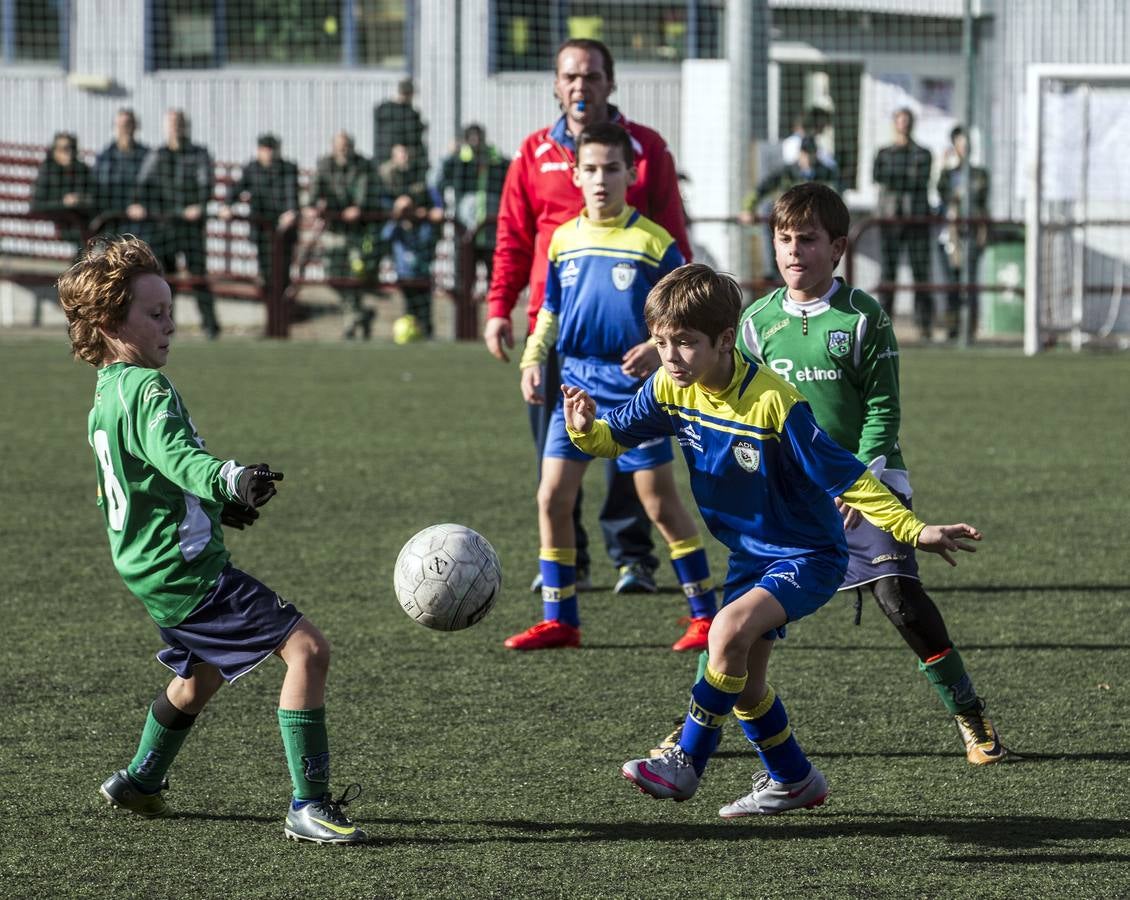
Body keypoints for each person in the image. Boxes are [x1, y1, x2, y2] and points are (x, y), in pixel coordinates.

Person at [565, 263, 983, 816]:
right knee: (744, 682)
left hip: (810, 555)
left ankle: (687, 761)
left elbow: (846, 474)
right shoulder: (670, 386)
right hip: (750, 557)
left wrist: (914, 528)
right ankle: (793, 779)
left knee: (727, 631)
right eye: (661, 341)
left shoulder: (773, 401)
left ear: (724, 339)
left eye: (686, 343)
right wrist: (583, 428)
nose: (669, 355)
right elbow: (615, 434)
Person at [57, 235, 366, 844]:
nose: (171, 324)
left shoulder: (106, 396)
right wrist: (230, 479)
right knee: (308, 651)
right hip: (187, 573)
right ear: (111, 321)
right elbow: (178, 460)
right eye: (155, 314)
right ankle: (310, 806)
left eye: (170, 310)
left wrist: (213, 511)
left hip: (151, 570)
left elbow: (133, 488)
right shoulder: (148, 390)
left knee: (200, 676)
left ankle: (140, 781)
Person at [486, 37, 692, 595]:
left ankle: (633, 557)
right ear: (556, 84)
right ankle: (566, 565)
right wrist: (499, 308)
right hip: (557, 330)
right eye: (570, 77)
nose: (581, 86)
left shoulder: (647, 149)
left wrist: (670, 333)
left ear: (610, 82)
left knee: (632, 458)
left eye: (592, 76)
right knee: (557, 453)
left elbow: (675, 239)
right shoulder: (533, 154)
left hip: (632, 339)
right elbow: (512, 237)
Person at [505, 122, 716, 654]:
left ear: (631, 173)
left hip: (635, 389)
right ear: (575, 174)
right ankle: (561, 619)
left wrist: (655, 345)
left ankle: (705, 615)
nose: (601, 179)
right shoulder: (562, 239)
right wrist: (534, 359)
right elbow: (550, 309)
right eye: (591, 169)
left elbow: (684, 310)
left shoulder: (653, 242)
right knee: (552, 497)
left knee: (658, 502)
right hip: (575, 383)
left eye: (611, 169)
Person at [135, 109, 220, 339]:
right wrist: (142, 206)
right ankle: (166, 328)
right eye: (171, 124)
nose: (175, 128)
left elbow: (206, 186)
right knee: (164, 281)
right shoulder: (157, 155)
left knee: (198, 277)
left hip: (191, 227)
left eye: (179, 123)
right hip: (164, 226)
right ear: (165, 127)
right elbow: (142, 186)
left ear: (186, 126)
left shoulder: (199, 154)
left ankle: (211, 327)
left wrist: (199, 205)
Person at [739, 136, 838, 285]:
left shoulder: (826, 173)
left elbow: (836, 198)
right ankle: (772, 271)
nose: (808, 157)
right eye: (805, 153)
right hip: (789, 222)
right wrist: (747, 209)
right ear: (800, 153)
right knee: (769, 213)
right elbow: (761, 189)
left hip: (814, 224)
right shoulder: (787, 171)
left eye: (811, 153)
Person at [873, 107, 935, 339]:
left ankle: (924, 325)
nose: (903, 125)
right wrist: (903, 176)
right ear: (894, 124)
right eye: (900, 121)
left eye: (907, 121)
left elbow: (919, 179)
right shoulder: (884, 153)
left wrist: (897, 177)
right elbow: (879, 176)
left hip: (916, 219)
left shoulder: (923, 153)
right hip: (890, 219)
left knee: (921, 273)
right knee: (888, 273)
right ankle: (882, 326)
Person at [308, 131, 375, 339]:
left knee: (356, 275)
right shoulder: (324, 165)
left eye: (346, 145)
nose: (343, 149)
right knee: (333, 276)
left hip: (357, 232)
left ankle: (350, 322)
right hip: (334, 230)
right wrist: (313, 206)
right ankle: (360, 314)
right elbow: (313, 192)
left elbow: (363, 193)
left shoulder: (362, 165)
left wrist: (357, 207)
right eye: (339, 145)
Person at [219, 133, 300, 299]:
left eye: (272, 149)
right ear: (259, 150)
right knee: (266, 272)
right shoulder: (252, 169)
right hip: (262, 228)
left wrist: (290, 212)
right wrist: (227, 205)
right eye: (265, 149)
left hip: (283, 229)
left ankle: (282, 313)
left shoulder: (288, 169)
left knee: (282, 271)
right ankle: (272, 310)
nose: (269, 153)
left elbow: (291, 193)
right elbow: (236, 189)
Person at [377, 143, 443, 338]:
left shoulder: (421, 179)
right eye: (399, 154)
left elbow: (436, 206)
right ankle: (411, 326)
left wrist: (425, 212)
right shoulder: (387, 180)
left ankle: (426, 330)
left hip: (421, 253)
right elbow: (386, 220)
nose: (404, 158)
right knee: (408, 295)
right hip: (402, 255)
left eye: (406, 153)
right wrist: (397, 212)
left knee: (423, 294)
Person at [436, 123, 510, 282]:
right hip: (465, 233)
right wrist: (449, 155)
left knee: (497, 279)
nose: (475, 141)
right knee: (464, 282)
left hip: (491, 233)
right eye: (471, 138)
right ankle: (463, 307)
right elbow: (437, 181)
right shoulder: (457, 162)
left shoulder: (497, 161)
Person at [936, 126, 990, 342]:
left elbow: (980, 196)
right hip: (950, 236)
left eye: (966, 144)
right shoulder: (947, 174)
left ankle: (970, 327)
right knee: (952, 283)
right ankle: (952, 328)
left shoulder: (979, 174)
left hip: (971, 234)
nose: (963, 148)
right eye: (959, 143)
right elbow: (942, 194)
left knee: (970, 283)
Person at [31, 131, 95, 248]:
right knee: (82, 237)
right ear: (55, 151)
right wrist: (64, 203)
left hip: (82, 218)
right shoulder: (47, 170)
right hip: (59, 220)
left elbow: (94, 196)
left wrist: (81, 200)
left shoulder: (82, 169)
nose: (68, 152)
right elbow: (36, 205)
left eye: (71, 148)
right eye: (64, 148)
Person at [92, 109, 149, 236]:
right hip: (109, 218)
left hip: (140, 220)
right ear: (115, 127)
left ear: (135, 127)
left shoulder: (146, 156)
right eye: (121, 125)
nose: (125, 129)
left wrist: (142, 205)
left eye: (128, 124)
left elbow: (154, 189)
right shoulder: (104, 157)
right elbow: (97, 189)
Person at [373, 77, 427, 181]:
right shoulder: (409, 114)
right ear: (411, 94)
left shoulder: (383, 109)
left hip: (400, 161)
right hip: (393, 162)